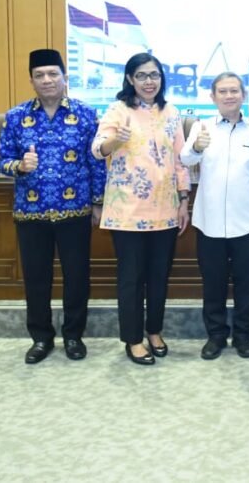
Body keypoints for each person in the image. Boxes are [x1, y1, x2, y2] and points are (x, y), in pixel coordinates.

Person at [0, 48, 106, 365]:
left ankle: (73, 336)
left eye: (53, 74)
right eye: (40, 75)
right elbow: (2, 160)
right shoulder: (15, 116)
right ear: (31, 80)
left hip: (75, 211)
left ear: (64, 78)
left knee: (77, 277)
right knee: (36, 279)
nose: (47, 80)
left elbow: (96, 162)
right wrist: (19, 165)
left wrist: (98, 202)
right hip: (31, 213)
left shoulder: (86, 114)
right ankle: (41, 338)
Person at [92, 53, 191, 366]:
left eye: (154, 75)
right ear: (130, 79)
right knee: (131, 278)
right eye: (142, 76)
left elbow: (180, 160)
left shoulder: (171, 112)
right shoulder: (118, 110)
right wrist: (113, 142)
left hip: (165, 210)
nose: (149, 82)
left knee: (159, 276)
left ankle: (154, 331)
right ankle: (133, 339)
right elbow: (97, 149)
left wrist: (184, 200)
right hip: (128, 212)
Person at [180, 72, 249, 360]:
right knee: (213, 283)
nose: (228, 96)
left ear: (243, 95)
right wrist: (196, 146)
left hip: (248, 221)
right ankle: (216, 336)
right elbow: (185, 159)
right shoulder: (202, 127)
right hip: (209, 222)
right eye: (222, 91)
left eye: (234, 90)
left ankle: (244, 337)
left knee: (246, 283)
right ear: (213, 97)